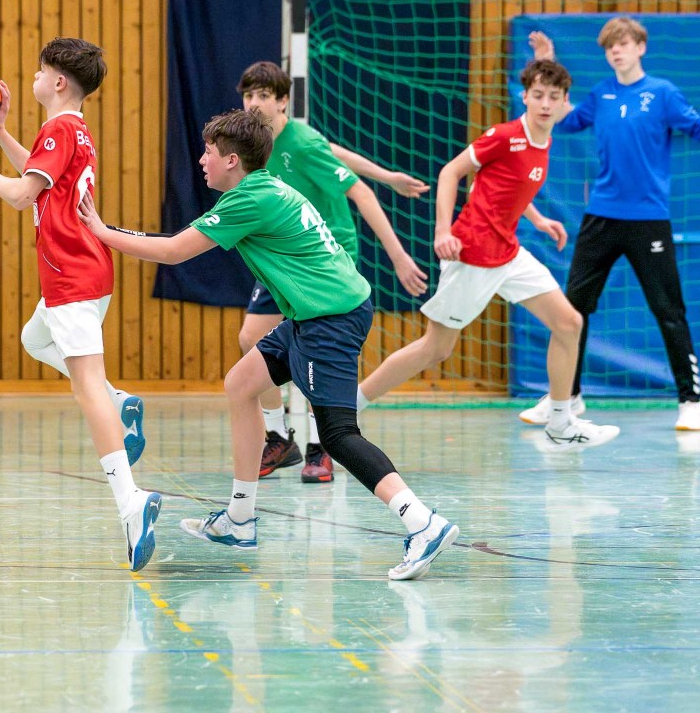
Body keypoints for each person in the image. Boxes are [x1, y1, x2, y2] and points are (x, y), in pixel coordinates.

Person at [79, 108, 459, 581]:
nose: (201, 161)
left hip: (330, 319)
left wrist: (102, 232)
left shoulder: (249, 200)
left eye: (209, 153)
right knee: (241, 384)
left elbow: (175, 250)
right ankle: (239, 519)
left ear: (232, 160)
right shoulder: (263, 187)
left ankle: (423, 523)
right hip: (315, 313)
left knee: (338, 435)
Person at [0, 37, 160, 572]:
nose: (32, 78)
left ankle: (130, 502)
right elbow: (39, 176)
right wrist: (0, 132)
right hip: (83, 272)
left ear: (59, 82)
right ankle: (120, 401)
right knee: (34, 339)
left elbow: (23, 194)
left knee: (85, 387)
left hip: (72, 275)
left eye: (38, 70)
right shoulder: (73, 129)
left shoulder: (59, 130)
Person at [355, 60, 620, 450]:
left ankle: (561, 422)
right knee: (435, 349)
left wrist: (538, 218)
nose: (545, 104)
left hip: (508, 252)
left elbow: (506, 185)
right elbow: (451, 172)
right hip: (473, 253)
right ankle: (348, 406)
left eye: (554, 97)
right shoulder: (505, 135)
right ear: (525, 97)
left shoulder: (545, 138)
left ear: (565, 101)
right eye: (538, 96)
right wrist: (443, 230)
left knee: (568, 323)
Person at [525, 20, 700, 431]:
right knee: (572, 310)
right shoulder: (602, 95)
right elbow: (561, 116)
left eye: (623, 44)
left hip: (648, 221)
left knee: (669, 311)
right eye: (610, 46)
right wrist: (548, 64)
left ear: (641, 47)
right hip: (600, 218)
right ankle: (567, 397)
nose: (616, 51)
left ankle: (691, 402)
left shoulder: (662, 93)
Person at [236, 61, 430, 484]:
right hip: (288, 251)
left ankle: (320, 446)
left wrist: (398, 256)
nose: (254, 103)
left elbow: (359, 192)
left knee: (315, 346)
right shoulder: (258, 142)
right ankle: (279, 436)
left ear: (283, 102)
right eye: (248, 95)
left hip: (327, 253)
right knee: (251, 337)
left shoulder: (301, 142)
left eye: (263, 96)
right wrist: (386, 174)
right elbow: (335, 151)